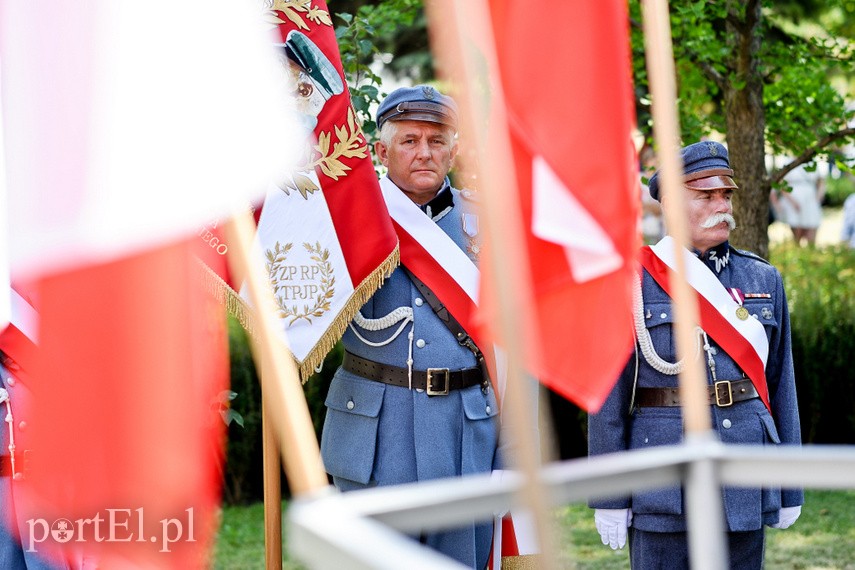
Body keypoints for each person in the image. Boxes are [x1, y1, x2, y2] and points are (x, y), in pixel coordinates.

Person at [588, 141, 804, 569]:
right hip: (663, 473)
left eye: (725, 194)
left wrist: (789, 484)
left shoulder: (763, 278)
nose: (721, 204)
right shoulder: (630, 281)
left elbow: (782, 386)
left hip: (743, 464)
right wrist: (610, 493)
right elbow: (607, 395)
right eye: (706, 195)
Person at [319, 85, 500, 569]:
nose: (425, 152)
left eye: (437, 141)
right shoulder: (344, 219)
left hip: (464, 433)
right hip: (378, 435)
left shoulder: (490, 222)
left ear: (455, 150)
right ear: (380, 151)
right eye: (409, 140)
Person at [773, 163, 826, 246]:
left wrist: (818, 197)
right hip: (793, 200)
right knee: (797, 230)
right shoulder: (788, 162)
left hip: (810, 200)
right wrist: (792, 201)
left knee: (811, 227)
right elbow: (782, 184)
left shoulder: (813, 163)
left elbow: (821, 182)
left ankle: (810, 252)